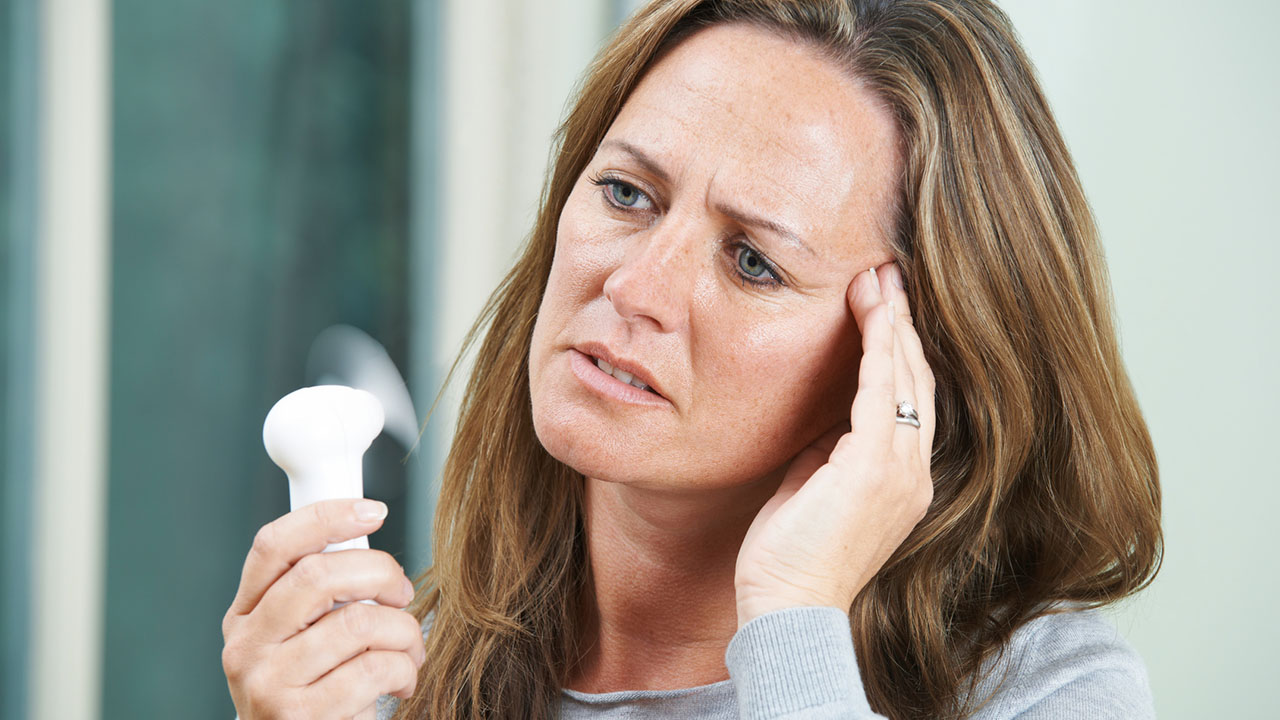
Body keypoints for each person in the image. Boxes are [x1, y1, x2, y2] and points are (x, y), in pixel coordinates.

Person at [221, 1, 1163, 718]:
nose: (635, 286)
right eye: (627, 193)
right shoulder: (393, 675)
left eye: (753, 260)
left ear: (907, 362)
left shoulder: (1045, 692)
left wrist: (795, 622)